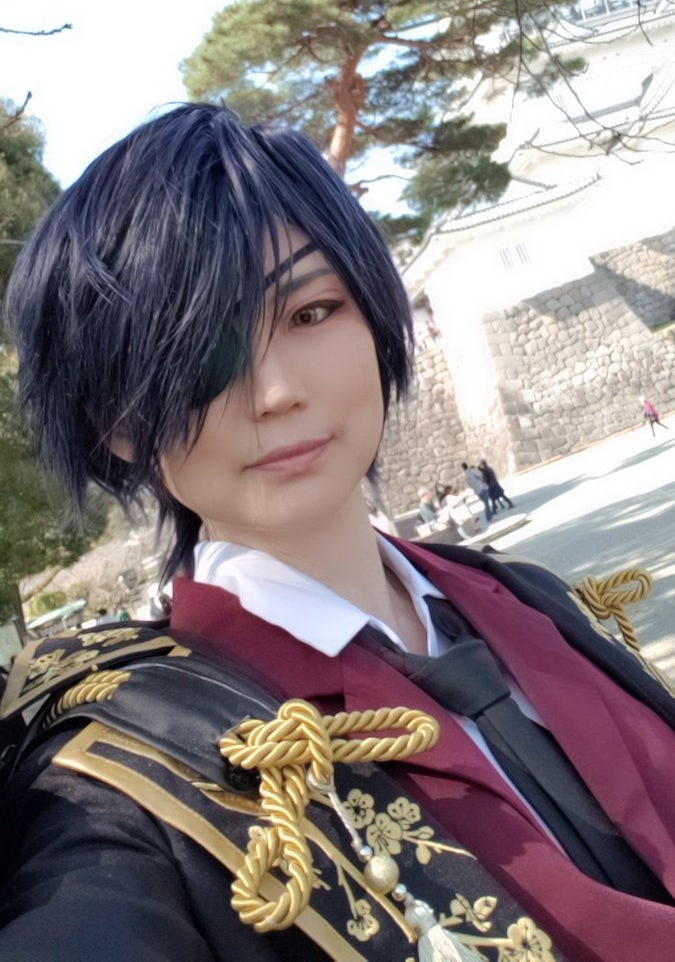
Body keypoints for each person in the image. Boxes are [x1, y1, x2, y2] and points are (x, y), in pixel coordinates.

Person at [1, 105, 675, 962]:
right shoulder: (138, 775)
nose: (276, 390)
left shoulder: (525, 594)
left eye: (311, 312)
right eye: (198, 353)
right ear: (116, 425)